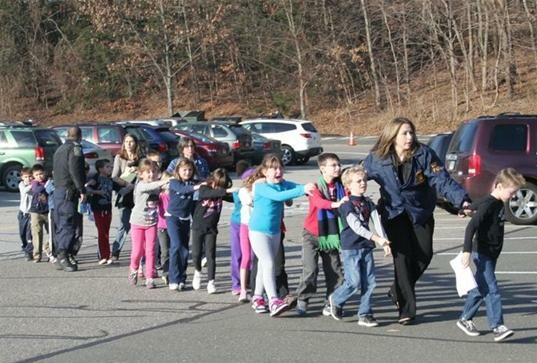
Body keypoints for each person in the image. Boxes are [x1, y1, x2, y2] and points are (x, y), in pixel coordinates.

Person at [363, 117, 470, 324]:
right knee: (402, 260)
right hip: (393, 214)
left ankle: (397, 291)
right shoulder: (377, 158)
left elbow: (442, 180)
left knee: (424, 255)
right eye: (404, 133)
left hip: (420, 211)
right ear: (392, 136)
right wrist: (338, 186)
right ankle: (406, 309)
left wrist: (462, 200)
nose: (410, 137)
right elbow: (356, 176)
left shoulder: (424, 154)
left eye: (411, 132)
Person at [456, 168, 525, 342]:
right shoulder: (490, 204)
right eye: (512, 192)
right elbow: (471, 227)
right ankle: (497, 326)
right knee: (492, 290)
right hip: (482, 253)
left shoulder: (494, 202)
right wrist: (466, 251)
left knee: (480, 288)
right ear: (500, 186)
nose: (514, 196)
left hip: (491, 253)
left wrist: (467, 209)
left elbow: (477, 205)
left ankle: (465, 319)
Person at [248, 154, 315, 317]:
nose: (278, 171)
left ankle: (257, 297)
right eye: (273, 168)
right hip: (258, 230)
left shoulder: (283, 184)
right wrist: (302, 190)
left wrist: (310, 187)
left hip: (275, 230)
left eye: (280, 168)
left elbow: (295, 187)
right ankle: (273, 300)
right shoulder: (262, 186)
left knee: (265, 266)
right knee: (268, 262)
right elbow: (279, 196)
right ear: (264, 171)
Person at [327, 166, 392, 327]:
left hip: (366, 247)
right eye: (358, 181)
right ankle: (335, 299)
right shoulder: (346, 204)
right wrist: (376, 238)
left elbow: (376, 222)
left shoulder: (368, 202)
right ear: (348, 185)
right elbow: (356, 226)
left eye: (364, 180)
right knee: (354, 281)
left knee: (370, 282)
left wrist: (384, 241)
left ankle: (365, 314)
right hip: (351, 247)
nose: (363, 183)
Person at [294, 153, 347, 316]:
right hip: (312, 233)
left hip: (331, 235)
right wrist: (336, 204)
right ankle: (303, 299)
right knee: (310, 269)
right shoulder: (314, 186)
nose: (337, 168)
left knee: (334, 270)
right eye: (333, 165)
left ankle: (331, 300)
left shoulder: (342, 186)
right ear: (322, 168)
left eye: (338, 164)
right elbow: (318, 203)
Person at [191, 168, 236, 294]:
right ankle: (197, 272)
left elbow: (232, 197)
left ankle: (211, 281)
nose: (219, 188)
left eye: (222, 186)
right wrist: (224, 191)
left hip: (211, 228)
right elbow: (208, 194)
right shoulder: (204, 188)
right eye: (218, 185)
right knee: (196, 253)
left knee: (210, 255)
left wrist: (241, 194)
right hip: (198, 226)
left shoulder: (221, 193)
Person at [128, 159, 168, 288]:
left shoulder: (157, 186)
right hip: (137, 222)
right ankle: (134, 268)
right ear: (141, 174)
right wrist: (164, 181)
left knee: (151, 250)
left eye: (154, 172)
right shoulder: (140, 185)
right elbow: (149, 186)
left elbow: (167, 189)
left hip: (152, 223)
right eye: (148, 172)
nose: (151, 174)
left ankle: (149, 277)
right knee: (138, 251)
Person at [52, 126, 86, 272]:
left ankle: (59, 254)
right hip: (68, 191)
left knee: (60, 224)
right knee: (68, 223)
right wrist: (81, 189)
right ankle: (63, 254)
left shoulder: (59, 149)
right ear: (80, 136)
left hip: (58, 190)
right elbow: (75, 169)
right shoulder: (75, 148)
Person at [166, 159, 202, 291]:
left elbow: (205, 182)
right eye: (184, 170)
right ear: (178, 171)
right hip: (172, 218)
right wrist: (197, 187)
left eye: (190, 170)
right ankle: (173, 279)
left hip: (185, 219)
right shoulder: (174, 182)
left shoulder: (193, 182)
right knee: (176, 245)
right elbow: (183, 189)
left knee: (184, 249)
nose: (187, 172)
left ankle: (181, 278)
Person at [110, 133, 144, 262]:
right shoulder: (119, 157)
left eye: (131, 141)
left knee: (139, 225)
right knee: (124, 225)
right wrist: (126, 183)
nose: (129, 144)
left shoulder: (141, 158)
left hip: (138, 196)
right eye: (126, 142)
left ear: (135, 143)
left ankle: (140, 253)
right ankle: (115, 251)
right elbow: (114, 177)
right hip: (124, 194)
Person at [86, 159, 121, 265]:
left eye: (111, 167)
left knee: (106, 232)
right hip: (98, 208)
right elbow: (87, 188)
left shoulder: (110, 180)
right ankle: (103, 255)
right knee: (102, 233)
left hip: (108, 208)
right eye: (107, 167)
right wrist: (97, 192)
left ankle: (106, 254)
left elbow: (120, 189)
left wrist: (130, 186)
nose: (110, 168)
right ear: (100, 169)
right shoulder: (95, 178)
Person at [230, 160, 252, 296]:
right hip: (239, 223)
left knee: (252, 255)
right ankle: (237, 284)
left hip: (252, 224)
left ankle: (249, 281)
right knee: (238, 254)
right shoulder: (240, 192)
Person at [29, 164, 50, 262]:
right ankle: (37, 255)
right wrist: (45, 186)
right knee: (37, 233)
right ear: (33, 176)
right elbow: (36, 190)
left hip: (47, 211)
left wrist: (47, 185)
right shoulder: (34, 183)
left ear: (44, 173)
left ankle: (49, 249)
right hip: (36, 212)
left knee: (52, 232)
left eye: (41, 174)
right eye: (36, 175)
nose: (39, 176)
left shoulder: (48, 182)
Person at [157, 172, 172, 285]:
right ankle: (166, 272)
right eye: (166, 182)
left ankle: (174, 271)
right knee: (165, 251)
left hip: (174, 226)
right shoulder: (160, 196)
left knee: (175, 250)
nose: (168, 185)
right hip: (162, 226)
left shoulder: (175, 195)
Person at [18, 167, 33, 261]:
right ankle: (24, 247)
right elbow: (24, 191)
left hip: (31, 214)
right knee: (22, 233)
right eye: (26, 177)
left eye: (30, 176)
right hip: (22, 213)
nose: (28, 179)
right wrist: (33, 185)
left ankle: (29, 251)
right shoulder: (21, 185)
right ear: (22, 177)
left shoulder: (35, 185)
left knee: (29, 234)